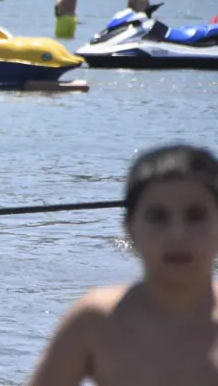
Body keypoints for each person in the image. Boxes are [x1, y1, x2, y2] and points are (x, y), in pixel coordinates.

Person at [27, 143, 218, 386]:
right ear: (130, 229)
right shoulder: (95, 320)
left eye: (195, 216)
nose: (177, 234)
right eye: (158, 217)